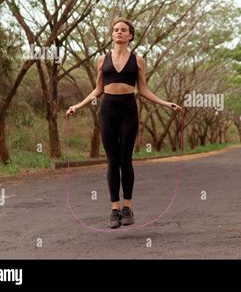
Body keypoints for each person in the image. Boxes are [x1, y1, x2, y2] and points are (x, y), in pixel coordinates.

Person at [66, 17, 182, 228]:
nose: (119, 32)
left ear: (130, 36)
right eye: (116, 30)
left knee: (125, 159)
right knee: (112, 160)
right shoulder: (102, 60)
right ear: (112, 35)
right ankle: (114, 210)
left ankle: (128, 208)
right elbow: (98, 89)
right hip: (107, 110)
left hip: (128, 110)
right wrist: (78, 105)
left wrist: (167, 104)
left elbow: (143, 90)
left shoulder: (138, 60)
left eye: (123, 30)